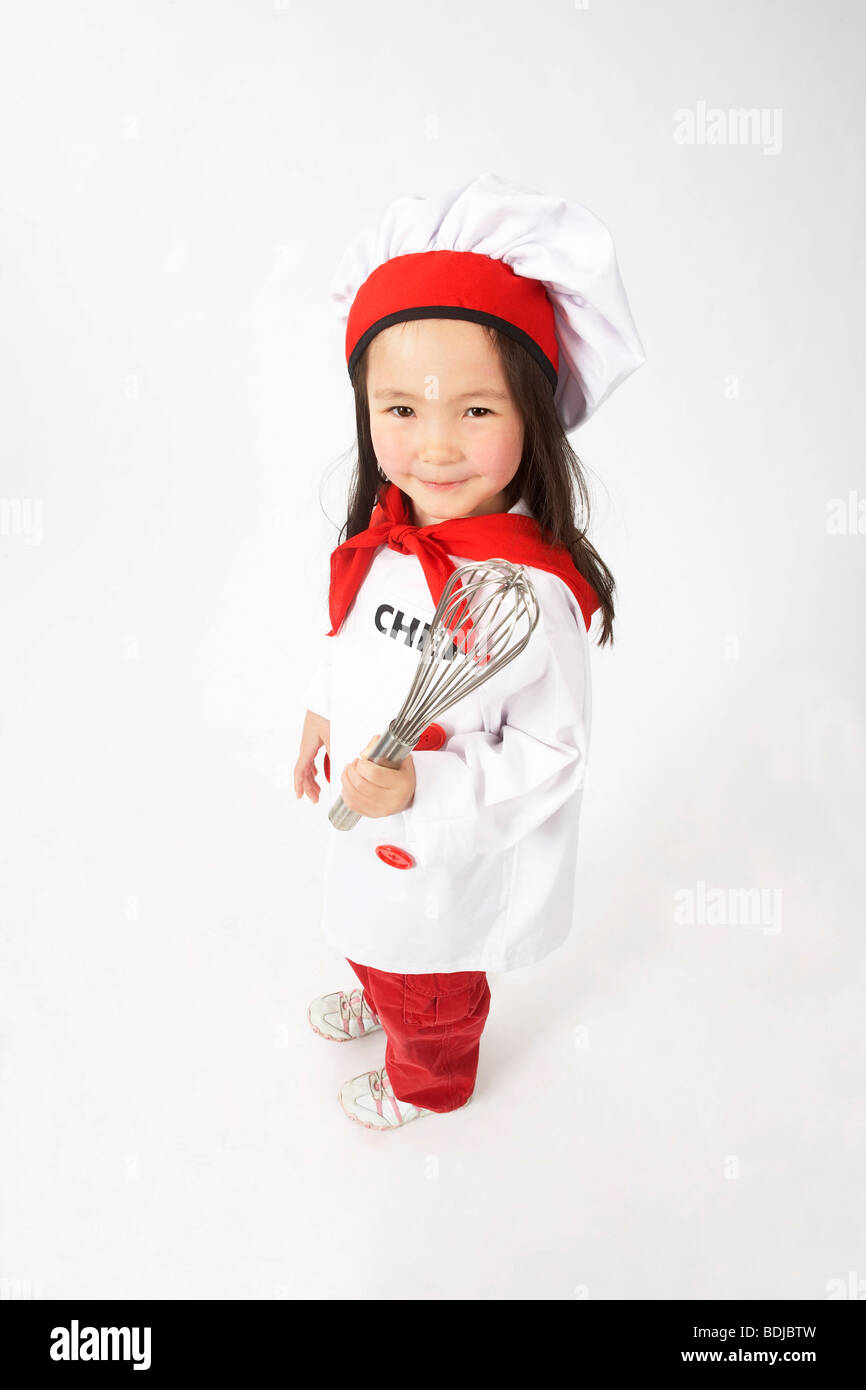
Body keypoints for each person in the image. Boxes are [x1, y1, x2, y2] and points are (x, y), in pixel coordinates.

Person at [293, 172, 645, 1131]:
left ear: (536, 415)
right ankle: (382, 991)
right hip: (366, 835)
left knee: (433, 990)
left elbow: (552, 756)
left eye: (476, 410)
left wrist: (424, 794)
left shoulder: (533, 600)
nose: (435, 446)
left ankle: (427, 1080)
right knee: (370, 936)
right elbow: (355, 643)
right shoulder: (391, 535)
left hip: (442, 862)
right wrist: (323, 713)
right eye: (401, 409)